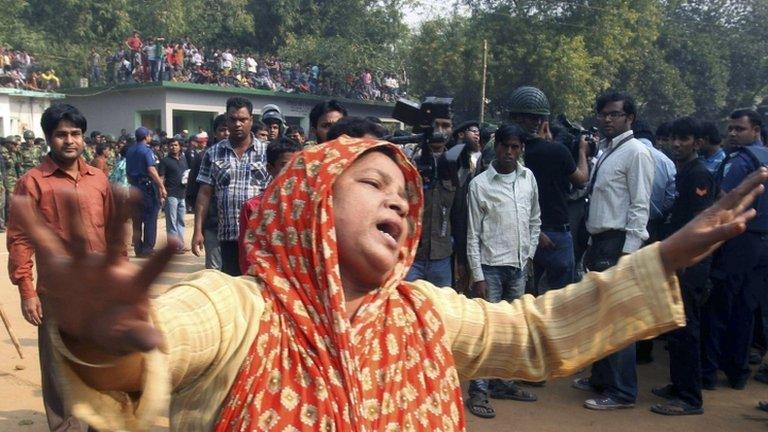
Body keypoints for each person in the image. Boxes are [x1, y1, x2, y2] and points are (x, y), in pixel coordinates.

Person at [14, 136, 768, 432]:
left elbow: (537, 331)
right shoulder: (237, 306)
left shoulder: (424, 312)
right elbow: (156, 351)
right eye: (372, 182)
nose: (401, 200)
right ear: (310, 201)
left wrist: (663, 258)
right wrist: (92, 337)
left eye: (403, 190)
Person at [7, 103, 117, 432]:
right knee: (61, 375)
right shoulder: (32, 182)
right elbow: (20, 240)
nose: (69, 141)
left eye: (75, 134)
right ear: (48, 138)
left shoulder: (98, 179)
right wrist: (28, 292)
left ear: (83, 137)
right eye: (61, 135)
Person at [574, 91, 654, 410]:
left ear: (629, 118)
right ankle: (601, 377)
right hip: (600, 241)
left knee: (617, 320)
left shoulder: (636, 152)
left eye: (614, 114)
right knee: (600, 315)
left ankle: (622, 391)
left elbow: (640, 206)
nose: (608, 119)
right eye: (603, 114)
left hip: (619, 242)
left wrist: (628, 252)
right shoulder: (608, 151)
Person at [465, 124, 541, 418]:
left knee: (512, 330)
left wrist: (529, 255)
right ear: (495, 147)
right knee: (487, 331)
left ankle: (504, 382)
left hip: (519, 268)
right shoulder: (480, 184)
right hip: (489, 269)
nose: (509, 153)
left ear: (521, 149)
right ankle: (479, 390)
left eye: (515, 147)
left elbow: (535, 220)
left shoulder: (528, 178)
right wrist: (478, 275)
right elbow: (472, 235)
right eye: (505, 146)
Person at [650, 116, 716, 416]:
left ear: (697, 143)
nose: (676, 144)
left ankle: (690, 398)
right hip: (676, 259)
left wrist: (689, 262)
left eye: (684, 139)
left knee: (687, 328)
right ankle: (678, 386)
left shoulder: (698, 175)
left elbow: (701, 224)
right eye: (673, 138)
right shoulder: (683, 172)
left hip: (690, 264)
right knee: (674, 326)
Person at [702, 109, 768, 391]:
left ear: (755, 130)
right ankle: (738, 372)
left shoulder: (741, 161)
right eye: (730, 129)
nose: (732, 134)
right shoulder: (762, 157)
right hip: (762, 241)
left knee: (720, 306)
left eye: (739, 129)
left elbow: (724, 200)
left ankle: (708, 371)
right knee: (746, 307)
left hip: (740, 237)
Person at [505, 87, 590, 294]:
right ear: (542, 121)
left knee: (523, 298)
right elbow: (581, 179)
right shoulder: (557, 151)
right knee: (562, 300)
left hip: (523, 234)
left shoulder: (508, 154)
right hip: (557, 234)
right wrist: (582, 152)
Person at [192, 97, 270, 276]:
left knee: (259, 292)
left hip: (259, 238)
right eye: (233, 119)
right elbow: (204, 194)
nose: (238, 124)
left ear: (251, 120)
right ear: (226, 120)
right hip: (228, 238)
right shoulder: (213, 153)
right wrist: (198, 231)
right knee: (233, 290)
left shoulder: (268, 152)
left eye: (243, 119)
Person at [237, 137, 302, 273]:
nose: (292, 171)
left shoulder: (306, 205)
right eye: (284, 165)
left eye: (297, 165)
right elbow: (246, 254)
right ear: (270, 168)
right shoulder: (253, 207)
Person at [405, 113, 456, 287]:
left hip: (442, 256)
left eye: (445, 126)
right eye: (435, 126)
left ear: (452, 130)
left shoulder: (458, 163)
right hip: (412, 255)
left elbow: (461, 214)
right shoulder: (409, 162)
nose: (439, 131)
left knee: (443, 310)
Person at [188, 114, 227, 270]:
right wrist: (200, 224)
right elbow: (194, 192)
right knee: (214, 272)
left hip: (238, 226)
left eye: (228, 129)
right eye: (222, 130)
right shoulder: (205, 156)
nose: (226, 133)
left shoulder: (243, 155)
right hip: (213, 224)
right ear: (215, 133)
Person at [126, 126, 166, 257]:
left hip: (133, 186)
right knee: (150, 218)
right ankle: (148, 248)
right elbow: (151, 169)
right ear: (146, 137)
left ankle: (138, 247)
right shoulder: (146, 151)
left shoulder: (130, 150)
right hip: (146, 188)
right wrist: (161, 186)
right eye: (149, 135)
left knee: (136, 219)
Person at [158, 137, 189, 251]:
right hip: (170, 194)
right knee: (171, 222)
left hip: (182, 194)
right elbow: (161, 178)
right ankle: (173, 246)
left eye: (175, 145)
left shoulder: (183, 159)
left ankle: (180, 244)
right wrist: (162, 193)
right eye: (171, 145)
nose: (173, 147)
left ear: (179, 146)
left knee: (181, 221)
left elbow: (187, 174)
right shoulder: (165, 161)